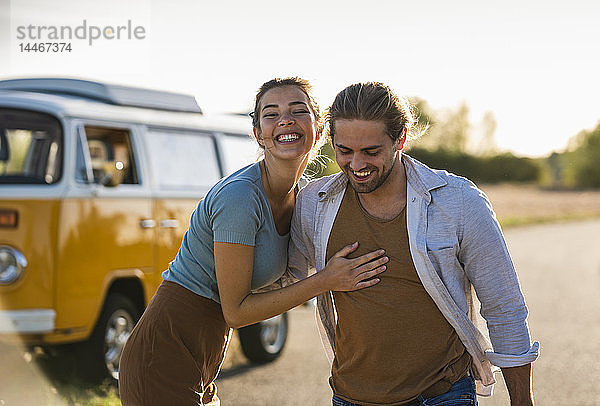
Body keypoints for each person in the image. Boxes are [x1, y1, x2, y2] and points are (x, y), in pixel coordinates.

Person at [118, 78, 388, 405]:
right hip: (162, 353)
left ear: (320, 131)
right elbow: (236, 312)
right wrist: (326, 281)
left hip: (204, 355)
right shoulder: (240, 198)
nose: (285, 119)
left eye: (298, 110)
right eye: (271, 114)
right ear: (260, 134)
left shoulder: (302, 195)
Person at [287, 82, 540, 406]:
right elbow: (283, 280)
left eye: (371, 151)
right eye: (344, 151)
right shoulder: (314, 203)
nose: (357, 165)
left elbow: (504, 307)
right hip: (351, 397)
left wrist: (523, 401)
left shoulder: (459, 202)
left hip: (443, 396)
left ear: (401, 139)